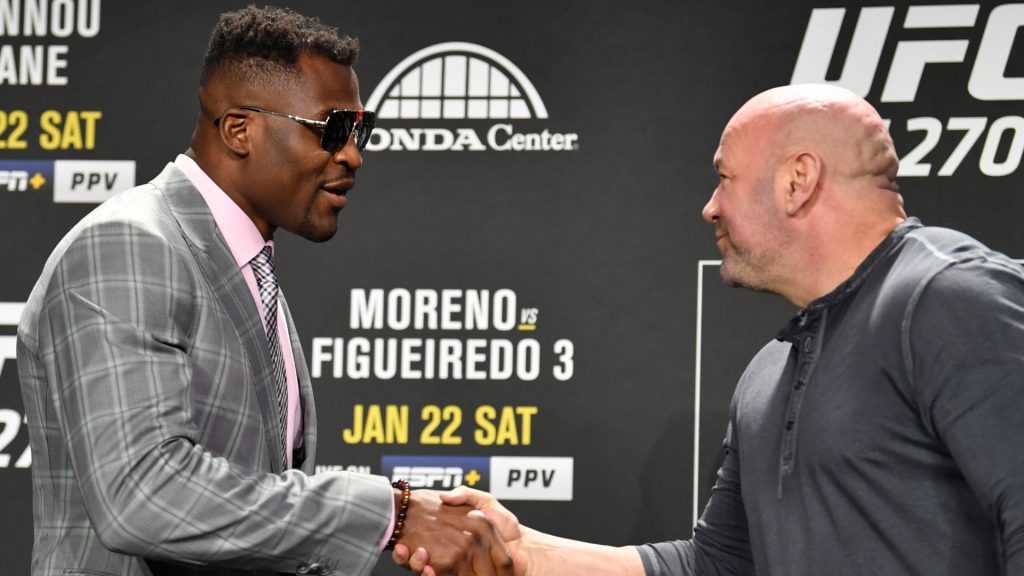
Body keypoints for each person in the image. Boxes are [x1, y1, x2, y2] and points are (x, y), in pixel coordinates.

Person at [398, 84, 1024, 575]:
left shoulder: (948, 297)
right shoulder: (772, 369)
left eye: (725, 177)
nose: (710, 206)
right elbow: (717, 565)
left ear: (797, 180)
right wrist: (526, 551)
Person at [16, 6, 512, 576]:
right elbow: (142, 496)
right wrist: (388, 512)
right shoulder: (129, 243)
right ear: (238, 130)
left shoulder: (244, 263)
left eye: (361, 131)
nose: (352, 154)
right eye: (332, 130)